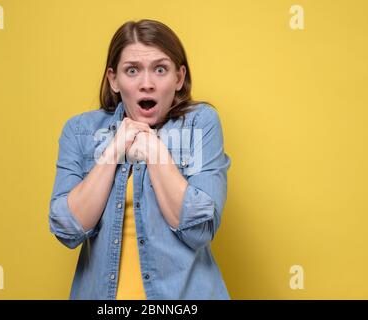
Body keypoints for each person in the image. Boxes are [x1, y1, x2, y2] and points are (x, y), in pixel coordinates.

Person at [48, 19, 231, 300]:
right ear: (114, 80)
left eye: (160, 69)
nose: (147, 84)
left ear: (179, 78)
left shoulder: (200, 124)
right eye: (132, 70)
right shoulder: (80, 131)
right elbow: (68, 229)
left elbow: (198, 230)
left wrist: (153, 149)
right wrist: (114, 149)